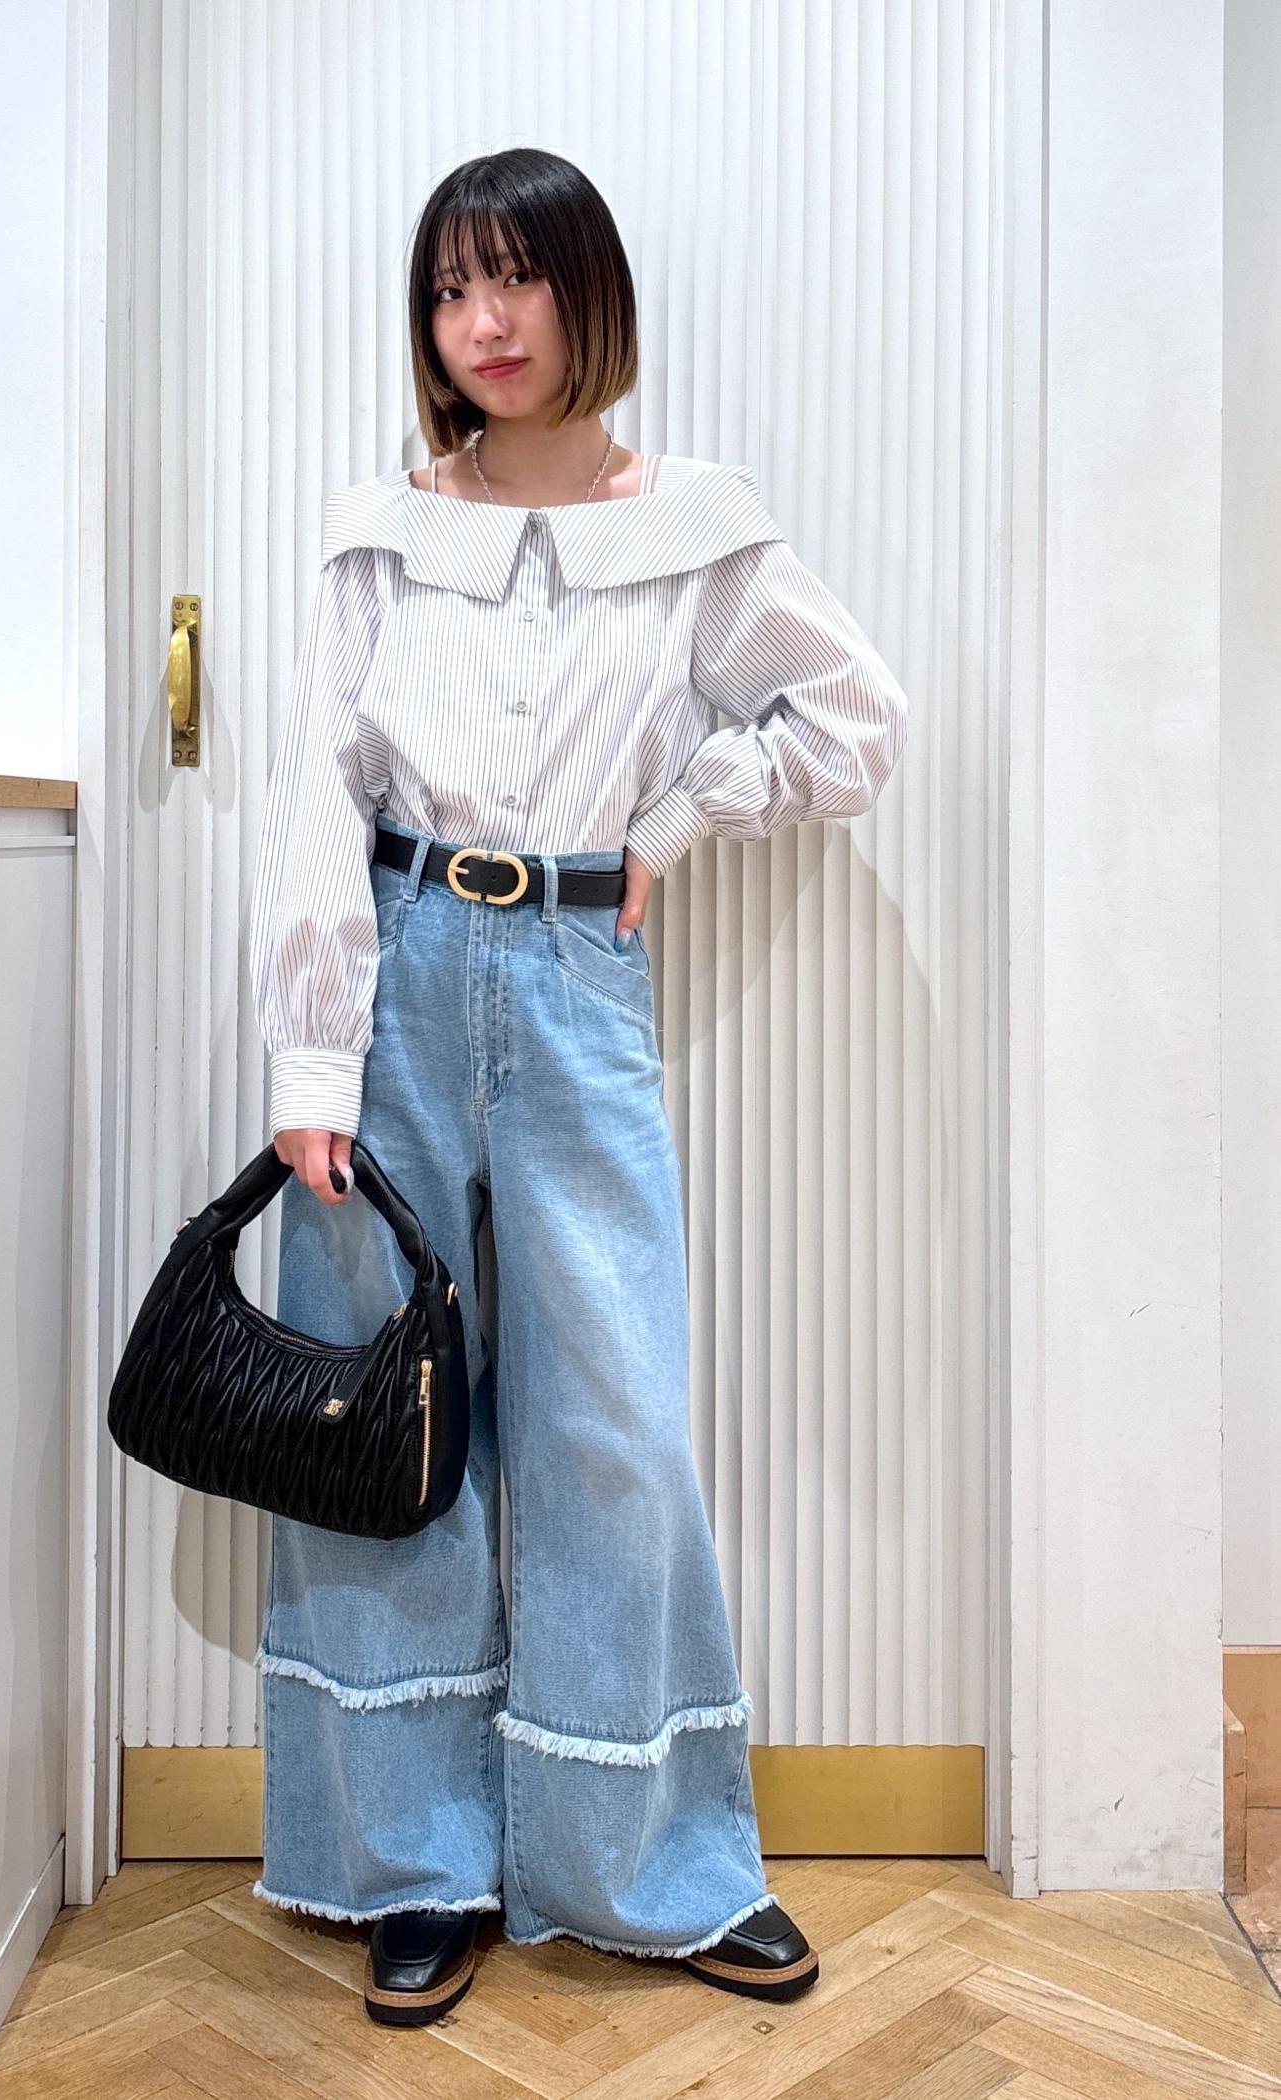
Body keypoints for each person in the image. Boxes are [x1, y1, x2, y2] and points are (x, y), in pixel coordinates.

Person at [246, 146, 908, 2028]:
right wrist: (312, 1052)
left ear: (584, 292)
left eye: (517, 279)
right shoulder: (380, 534)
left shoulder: (694, 530)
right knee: (388, 1423)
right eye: (451, 289)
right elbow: (315, 790)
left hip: (575, 975)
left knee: (612, 1416)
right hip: (392, 977)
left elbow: (855, 722)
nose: (485, 321)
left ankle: (650, 1864)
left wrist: (683, 817)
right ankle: (413, 1866)